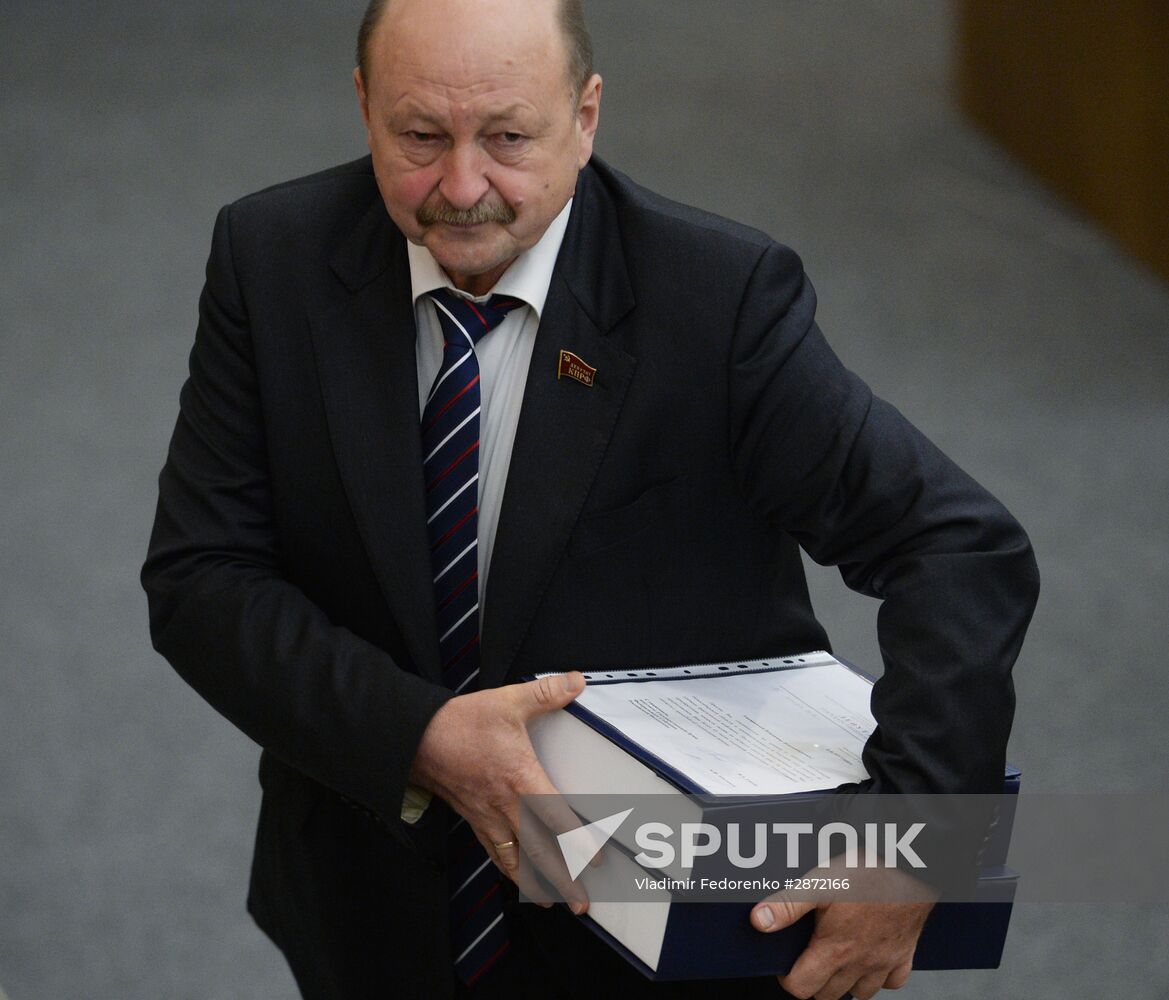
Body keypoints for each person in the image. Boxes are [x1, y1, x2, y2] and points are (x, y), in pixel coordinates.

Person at [141, 0, 1039, 997]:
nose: (463, 186)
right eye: (419, 136)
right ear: (363, 106)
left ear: (587, 114)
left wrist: (912, 843)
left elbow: (956, 549)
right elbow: (201, 577)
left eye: (509, 137)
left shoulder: (714, 300)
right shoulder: (271, 259)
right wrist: (420, 737)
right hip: (371, 902)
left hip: (662, 928)